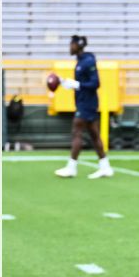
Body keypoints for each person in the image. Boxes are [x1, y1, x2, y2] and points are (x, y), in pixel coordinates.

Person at [53, 35, 114, 179]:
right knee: (94, 135)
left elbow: (95, 83)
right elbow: (81, 83)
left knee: (76, 131)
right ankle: (105, 167)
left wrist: (77, 85)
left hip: (87, 104)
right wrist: (64, 82)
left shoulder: (88, 61)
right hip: (83, 102)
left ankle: (71, 167)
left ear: (78, 45)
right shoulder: (80, 61)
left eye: (71, 44)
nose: (70, 47)